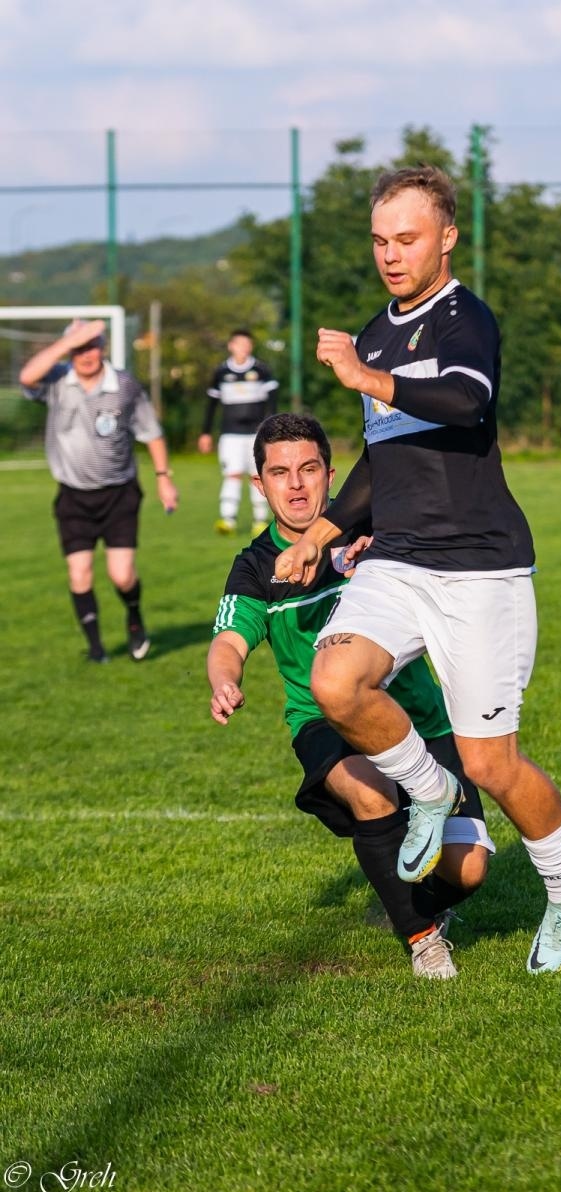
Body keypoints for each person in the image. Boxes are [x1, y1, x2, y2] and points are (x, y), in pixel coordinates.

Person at [273, 165, 561, 976]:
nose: (391, 254)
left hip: (482, 571)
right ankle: (426, 788)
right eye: (381, 240)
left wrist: (366, 377)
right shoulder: (375, 333)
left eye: (408, 238)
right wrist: (324, 528)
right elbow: (383, 461)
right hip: (400, 562)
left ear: (446, 237)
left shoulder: (464, 321)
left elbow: (465, 404)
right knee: (337, 684)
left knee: (491, 762)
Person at [207, 412, 493, 979]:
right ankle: (422, 939)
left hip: (420, 719)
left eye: (308, 469)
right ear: (259, 485)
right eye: (280, 473)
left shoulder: (380, 530)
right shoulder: (255, 567)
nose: (295, 485)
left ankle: (405, 903)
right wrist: (225, 677)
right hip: (323, 722)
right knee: (371, 791)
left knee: (469, 871)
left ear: (331, 476)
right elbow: (230, 639)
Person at [19, 319, 179, 663]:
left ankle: (134, 614)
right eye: (79, 348)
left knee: (121, 575)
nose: (86, 355)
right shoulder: (58, 379)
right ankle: (96, 649)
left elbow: (151, 433)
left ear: (103, 348)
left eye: (91, 346)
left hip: (119, 493)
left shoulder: (123, 385)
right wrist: (69, 341)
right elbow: (26, 377)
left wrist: (164, 477)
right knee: (79, 573)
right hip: (73, 495)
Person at [198, 328, 279, 536]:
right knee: (232, 474)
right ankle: (228, 520)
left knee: (257, 475)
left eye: (247, 344)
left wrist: (272, 430)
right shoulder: (221, 372)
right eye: (239, 344)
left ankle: (260, 521)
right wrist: (205, 432)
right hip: (230, 434)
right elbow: (211, 405)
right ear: (231, 346)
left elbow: (272, 404)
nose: (243, 348)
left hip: (256, 434)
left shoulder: (262, 370)